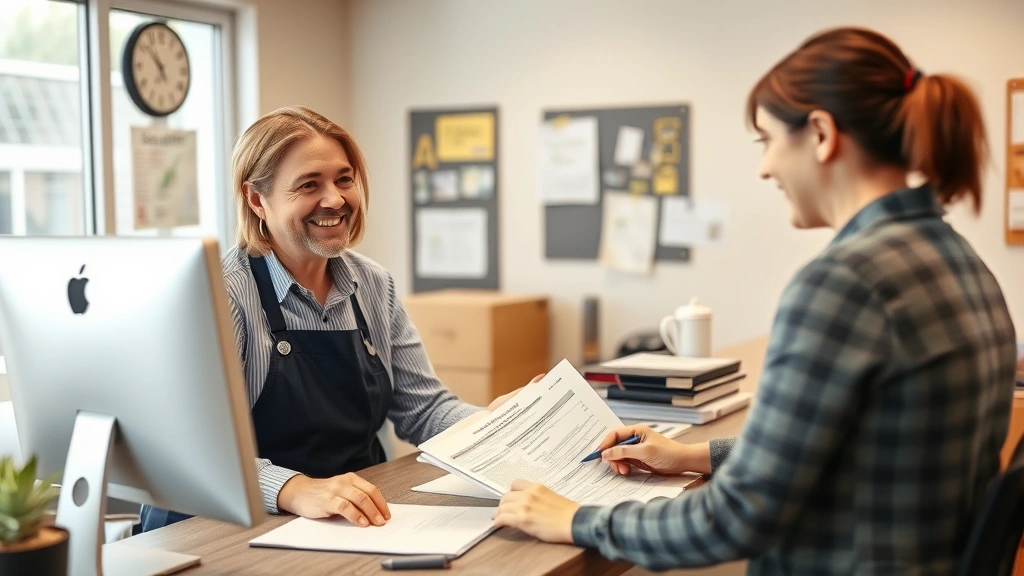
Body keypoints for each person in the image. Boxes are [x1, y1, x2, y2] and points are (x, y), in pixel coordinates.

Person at [494, 27, 1018, 573]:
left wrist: (576, 518)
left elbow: (737, 517)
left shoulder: (844, 283)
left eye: (766, 140)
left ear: (820, 133)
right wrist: (692, 455)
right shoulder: (964, 264)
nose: (765, 168)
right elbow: (855, 451)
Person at [141, 106, 522, 531]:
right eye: (309, 185)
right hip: (221, 524)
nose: (336, 199)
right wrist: (293, 488)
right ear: (256, 199)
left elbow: (423, 410)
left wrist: (496, 422)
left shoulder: (374, 284)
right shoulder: (221, 295)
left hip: (344, 517)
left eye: (344, 179)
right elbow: (191, 452)